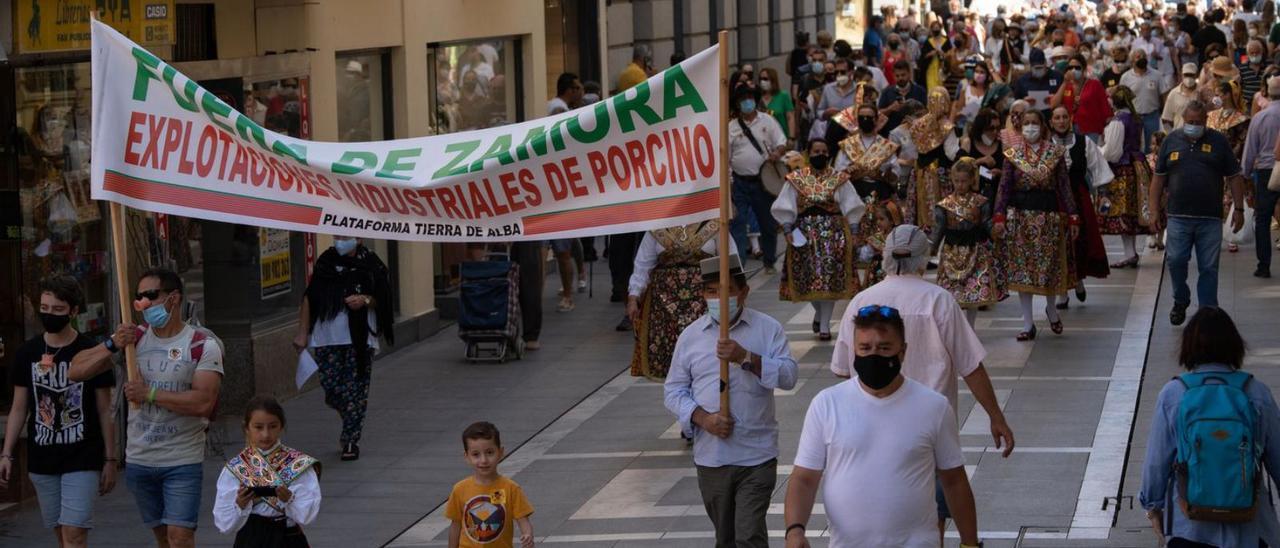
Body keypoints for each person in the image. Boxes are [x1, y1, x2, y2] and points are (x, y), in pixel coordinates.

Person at [830, 225, 1014, 528]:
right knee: (932, 521)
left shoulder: (861, 302)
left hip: (871, 428)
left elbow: (842, 371)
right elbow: (970, 365)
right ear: (923, 257)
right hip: (929, 430)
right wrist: (996, 416)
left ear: (885, 256)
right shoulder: (938, 300)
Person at [784, 304, 981, 548]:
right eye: (865, 348)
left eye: (884, 348)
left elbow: (954, 480)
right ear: (854, 350)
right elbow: (804, 478)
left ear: (903, 351)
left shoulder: (934, 407)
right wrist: (794, 531)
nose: (873, 356)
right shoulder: (827, 404)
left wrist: (970, 543)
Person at [70, 268, 223, 548]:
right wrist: (111, 344)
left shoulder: (202, 344)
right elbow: (76, 371)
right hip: (141, 459)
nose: (144, 303)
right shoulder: (134, 341)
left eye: (151, 295)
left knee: (180, 537)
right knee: (163, 537)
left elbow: (203, 401)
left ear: (173, 298)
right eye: (139, 297)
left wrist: (150, 393)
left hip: (182, 460)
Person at [664, 254, 798, 548]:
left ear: (744, 292)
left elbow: (788, 376)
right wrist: (703, 418)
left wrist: (746, 358)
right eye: (711, 292)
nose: (719, 299)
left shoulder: (767, 329)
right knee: (725, 538)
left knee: (748, 535)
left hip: (757, 455)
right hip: (712, 458)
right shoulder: (690, 337)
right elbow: (673, 391)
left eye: (726, 291)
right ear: (703, 294)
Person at [1139, 307, 1280, 548]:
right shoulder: (1257, 393)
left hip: (1189, 527)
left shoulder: (1174, 394)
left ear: (1189, 347)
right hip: (1250, 526)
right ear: (1235, 345)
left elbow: (1156, 461)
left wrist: (1153, 507)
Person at [0, 276, 116, 548]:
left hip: (83, 453)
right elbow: (19, 407)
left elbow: (104, 409)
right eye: (45, 308)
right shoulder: (27, 352)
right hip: (43, 458)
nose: (49, 314)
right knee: (61, 536)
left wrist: (110, 459)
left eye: (58, 309)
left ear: (74, 311)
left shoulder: (90, 351)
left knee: (74, 535)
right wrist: (7, 453)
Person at [292, 236, 392, 461]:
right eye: (337, 236)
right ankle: (350, 417)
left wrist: (365, 299)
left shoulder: (372, 264)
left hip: (360, 338)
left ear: (358, 239)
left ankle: (350, 440)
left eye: (345, 237)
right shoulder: (326, 262)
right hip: (326, 336)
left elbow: (383, 297)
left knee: (356, 390)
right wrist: (302, 332)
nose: (340, 241)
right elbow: (310, 297)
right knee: (332, 388)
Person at [1151, 100, 1246, 326]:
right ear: (1184, 120)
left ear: (1206, 121)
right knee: (1175, 260)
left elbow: (1234, 176)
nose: (1194, 125)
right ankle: (1180, 299)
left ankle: (1207, 312)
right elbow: (1159, 177)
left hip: (1209, 218)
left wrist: (1239, 208)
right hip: (1178, 217)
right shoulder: (1171, 141)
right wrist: (1154, 210)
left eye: (1198, 122)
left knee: (1209, 267)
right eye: (1190, 122)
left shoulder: (1218, 141)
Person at [992, 109, 1079, 340]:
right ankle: (1027, 323)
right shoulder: (1012, 154)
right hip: (1021, 218)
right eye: (1027, 123)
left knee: (1049, 267)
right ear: (1021, 128)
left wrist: (1073, 215)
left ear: (1043, 127)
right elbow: (1004, 186)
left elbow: (1063, 186)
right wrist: (999, 215)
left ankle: (1051, 308)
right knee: (1023, 271)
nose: (1031, 127)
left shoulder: (1055, 153)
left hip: (1048, 217)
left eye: (1035, 123)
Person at [773, 138, 866, 339]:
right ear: (808, 153)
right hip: (804, 235)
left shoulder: (839, 178)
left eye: (824, 151)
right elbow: (785, 204)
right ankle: (819, 313)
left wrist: (855, 231)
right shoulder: (796, 178)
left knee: (829, 279)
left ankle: (824, 326)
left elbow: (852, 205)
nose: (820, 155)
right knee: (808, 279)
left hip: (834, 234)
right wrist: (788, 228)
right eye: (816, 151)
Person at [626, 221, 734, 380]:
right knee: (672, 363)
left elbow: (730, 260)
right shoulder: (657, 227)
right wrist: (633, 297)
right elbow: (643, 264)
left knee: (705, 353)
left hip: (705, 302)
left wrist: (734, 294)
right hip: (664, 307)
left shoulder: (716, 224)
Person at [213, 396, 321, 547]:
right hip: (251, 537)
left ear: (281, 427)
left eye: (272, 426)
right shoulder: (236, 467)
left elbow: (307, 516)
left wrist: (289, 499)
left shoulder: (298, 463)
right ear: (247, 428)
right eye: (258, 427)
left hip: (288, 537)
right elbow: (224, 524)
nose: (265, 434)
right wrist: (240, 504)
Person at [1049, 106, 1113, 309]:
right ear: (1051, 122)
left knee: (1079, 242)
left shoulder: (1083, 142)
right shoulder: (1045, 145)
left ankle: (1077, 280)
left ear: (1070, 119)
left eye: (1064, 117)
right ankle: (1062, 292)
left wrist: (1103, 195)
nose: (1061, 121)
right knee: (1056, 243)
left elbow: (1098, 168)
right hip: (1054, 200)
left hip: (1078, 197)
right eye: (1057, 118)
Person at [929, 158, 1005, 325]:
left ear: (972, 180)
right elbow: (939, 229)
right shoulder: (944, 205)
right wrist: (931, 248)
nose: (960, 184)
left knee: (973, 290)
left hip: (975, 250)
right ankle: (956, 327)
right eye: (956, 181)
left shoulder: (981, 202)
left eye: (964, 181)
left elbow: (986, 223)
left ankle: (970, 326)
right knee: (951, 292)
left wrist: (995, 231)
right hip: (951, 252)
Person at [728, 85, 787, 274]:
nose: (747, 102)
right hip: (739, 182)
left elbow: (781, 142)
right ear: (737, 104)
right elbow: (726, 159)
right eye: (742, 99)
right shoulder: (731, 127)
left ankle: (769, 260)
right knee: (738, 224)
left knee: (767, 223)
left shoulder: (767, 121)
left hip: (763, 182)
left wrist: (777, 153)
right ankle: (739, 268)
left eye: (749, 97)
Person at [446, 422, 534, 548]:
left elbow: (523, 520)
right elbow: (455, 525)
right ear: (467, 457)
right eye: (476, 454)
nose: (483, 460)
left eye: (489, 452)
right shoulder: (460, 489)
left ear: (500, 452)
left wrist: (528, 535)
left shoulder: (511, 488)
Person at [1099, 85, 1156, 268]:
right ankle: (1130, 254)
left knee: (1123, 212)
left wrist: (1097, 151)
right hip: (1137, 166)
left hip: (1123, 171)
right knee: (1130, 213)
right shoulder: (1135, 119)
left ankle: (1130, 254)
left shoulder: (1118, 121)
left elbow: (1112, 153)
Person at [1241, 76, 1280, 278]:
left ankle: (1263, 265)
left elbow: (1250, 149)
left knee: (1263, 219)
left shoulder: (1260, 117)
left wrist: (1245, 174)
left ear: (1267, 92)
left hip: (1266, 171)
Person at [906, 87, 960, 232]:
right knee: (940, 214)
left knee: (921, 210)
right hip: (941, 175)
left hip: (920, 173)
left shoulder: (918, 124)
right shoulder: (946, 126)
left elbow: (912, 152)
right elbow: (951, 154)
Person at [1207, 80, 1252, 253]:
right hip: (1210, 164)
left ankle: (1232, 233)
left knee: (1229, 199)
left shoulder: (1240, 119)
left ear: (1228, 95)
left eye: (1219, 94)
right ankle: (1215, 233)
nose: (1216, 98)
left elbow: (1241, 142)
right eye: (1215, 94)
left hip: (1230, 164)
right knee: (1214, 198)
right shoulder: (1211, 116)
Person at [1120, 48, 1171, 153]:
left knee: (1152, 146)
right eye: (1138, 56)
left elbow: (1164, 96)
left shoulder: (1157, 75)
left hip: (1152, 117)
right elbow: (1122, 98)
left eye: (1144, 56)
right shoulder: (1125, 77)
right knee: (1133, 146)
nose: (1142, 58)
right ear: (1132, 60)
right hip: (1133, 117)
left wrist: (1165, 115)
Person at [1052, 54, 1113, 141]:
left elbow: (1105, 108)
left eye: (1077, 68)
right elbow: (1054, 104)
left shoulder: (1094, 84)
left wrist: (1106, 131)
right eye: (1071, 67)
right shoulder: (1066, 86)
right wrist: (1065, 82)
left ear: (1084, 69)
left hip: (1091, 130)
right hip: (1070, 130)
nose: (1073, 70)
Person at [879, 61, 927, 134]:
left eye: (903, 75)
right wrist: (890, 108)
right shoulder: (887, 92)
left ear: (909, 74)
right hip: (892, 135)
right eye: (897, 76)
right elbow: (879, 114)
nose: (900, 78)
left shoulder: (920, 91)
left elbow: (927, 113)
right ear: (893, 76)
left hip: (916, 134)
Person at [1012, 48, 1063, 114]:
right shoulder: (1022, 81)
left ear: (1045, 62)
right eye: (1036, 68)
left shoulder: (1057, 77)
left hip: (1053, 116)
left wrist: (1056, 98)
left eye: (1040, 67)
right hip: (1031, 118)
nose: (1038, 70)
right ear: (1030, 66)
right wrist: (1024, 102)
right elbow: (1016, 104)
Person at [760, 67, 796, 145]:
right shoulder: (757, 97)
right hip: (762, 140)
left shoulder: (783, 96)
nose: (762, 81)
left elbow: (790, 117)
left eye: (765, 79)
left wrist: (791, 138)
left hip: (781, 139)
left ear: (773, 80)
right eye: (761, 79)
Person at [1163, 63, 1202, 131]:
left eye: (1191, 75)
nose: (1189, 78)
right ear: (1182, 75)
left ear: (1196, 75)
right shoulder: (1173, 93)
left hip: (1198, 133)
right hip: (1179, 133)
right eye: (1186, 75)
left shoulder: (1202, 92)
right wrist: (1171, 135)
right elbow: (1166, 119)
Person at [920, 20, 955, 92]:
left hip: (942, 69)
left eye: (937, 28)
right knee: (931, 89)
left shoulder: (946, 40)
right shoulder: (928, 41)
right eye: (934, 28)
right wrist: (931, 53)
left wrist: (943, 53)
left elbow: (950, 54)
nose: (936, 30)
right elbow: (923, 56)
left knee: (942, 89)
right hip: (931, 69)